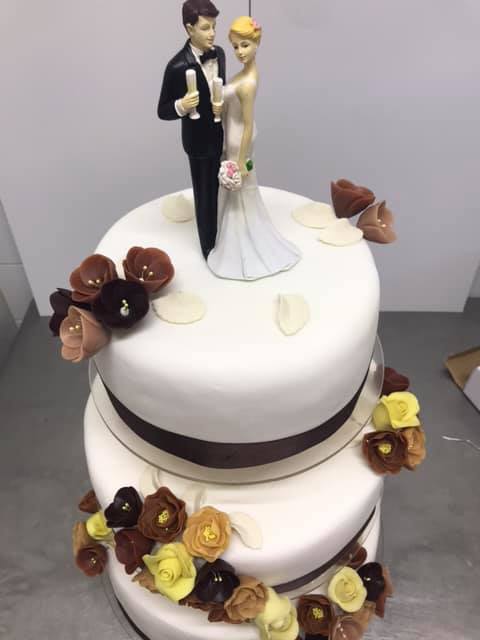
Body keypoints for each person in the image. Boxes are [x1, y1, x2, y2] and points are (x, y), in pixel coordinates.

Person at [207, 16, 301, 281]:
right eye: (235, 46)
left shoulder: (248, 83)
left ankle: (240, 248)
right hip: (233, 137)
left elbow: (248, 124)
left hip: (239, 141)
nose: (239, 52)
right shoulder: (246, 73)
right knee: (236, 196)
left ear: (257, 44)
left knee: (240, 195)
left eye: (245, 45)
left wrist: (240, 161)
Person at [157, 0, 226, 259]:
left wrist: (223, 104)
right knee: (205, 196)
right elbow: (162, 110)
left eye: (214, 27)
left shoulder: (220, 54)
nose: (212, 33)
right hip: (198, 143)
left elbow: (221, 88)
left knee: (224, 192)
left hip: (221, 135)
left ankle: (226, 239)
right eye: (205, 28)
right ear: (189, 29)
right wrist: (182, 106)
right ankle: (209, 249)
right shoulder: (177, 66)